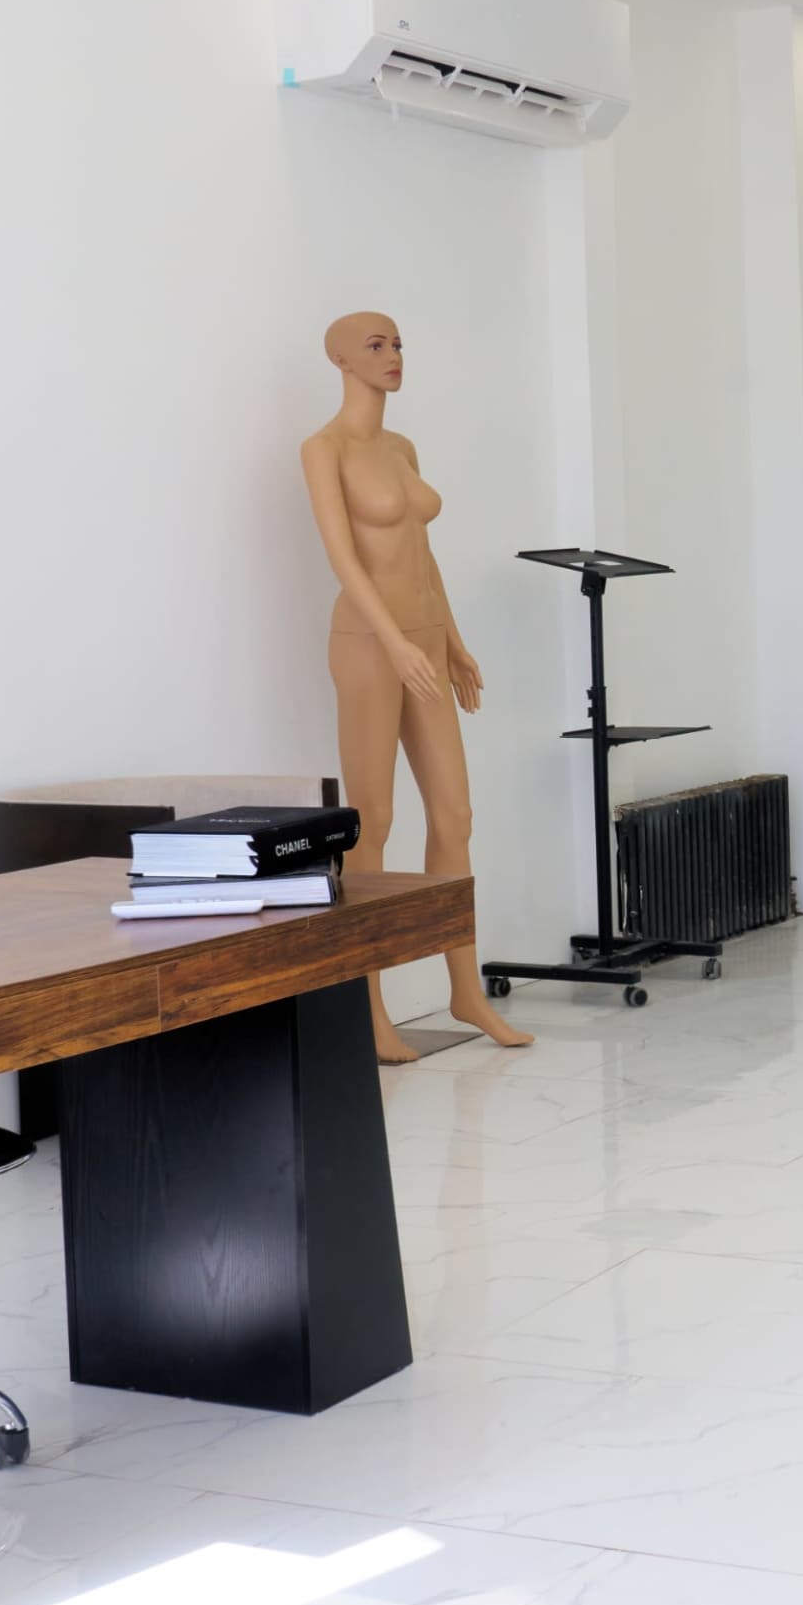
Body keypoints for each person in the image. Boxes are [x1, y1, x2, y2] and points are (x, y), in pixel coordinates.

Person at [299, 310, 531, 1061]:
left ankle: (464, 990)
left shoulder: (401, 448)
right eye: (376, 344)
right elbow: (343, 557)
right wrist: (395, 643)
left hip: (424, 643)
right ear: (340, 359)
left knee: (455, 814)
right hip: (370, 645)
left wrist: (452, 642)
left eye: (398, 343)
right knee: (373, 820)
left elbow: (419, 556)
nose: (394, 355)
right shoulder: (323, 448)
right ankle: (367, 1008)